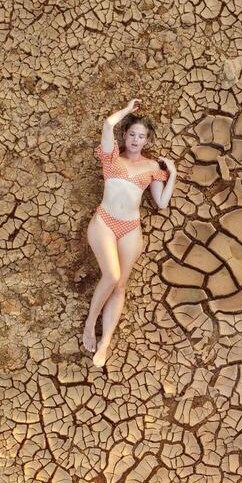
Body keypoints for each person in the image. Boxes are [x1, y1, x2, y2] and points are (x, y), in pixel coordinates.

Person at [83, 98, 177, 368]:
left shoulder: (151, 168)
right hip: (105, 221)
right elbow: (107, 124)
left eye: (141, 137)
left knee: (120, 285)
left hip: (130, 228)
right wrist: (126, 110)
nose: (136, 140)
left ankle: (105, 343)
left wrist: (173, 174)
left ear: (147, 141)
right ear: (125, 136)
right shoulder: (111, 156)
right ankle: (90, 324)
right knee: (111, 275)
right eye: (132, 134)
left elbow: (161, 203)